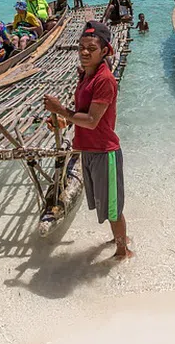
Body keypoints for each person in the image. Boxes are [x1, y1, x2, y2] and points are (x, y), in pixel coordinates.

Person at [43, 21, 132, 259]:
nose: (84, 52)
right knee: (106, 203)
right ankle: (119, 239)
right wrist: (65, 120)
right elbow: (84, 112)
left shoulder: (104, 80)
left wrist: (61, 110)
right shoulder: (86, 75)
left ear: (104, 51)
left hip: (104, 151)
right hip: (89, 149)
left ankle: (123, 252)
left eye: (91, 48)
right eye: (81, 47)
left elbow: (92, 120)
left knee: (113, 208)